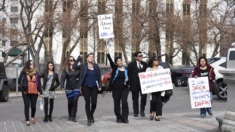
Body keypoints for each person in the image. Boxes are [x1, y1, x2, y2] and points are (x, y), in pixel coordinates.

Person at [74, 53, 102, 126]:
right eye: (89, 56)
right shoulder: (83, 65)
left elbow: (99, 77)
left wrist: (100, 86)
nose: (91, 58)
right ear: (87, 58)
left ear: (93, 59)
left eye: (92, 57)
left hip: (94, 87)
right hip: (85, 86)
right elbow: (74, 66)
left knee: (94, 103)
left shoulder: (96, 66)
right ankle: (88, 119)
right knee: (88, 102)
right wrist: (78, 59)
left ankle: (91, 114)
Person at [106, 49, 129, 123]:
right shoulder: (115, 68)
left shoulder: (126, 69)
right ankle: (118, 117)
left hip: (124, 88)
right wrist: (108, 53)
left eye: (120, 60)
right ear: (116, 62)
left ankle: (125, 118)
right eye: (118, 61)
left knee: (124, 102)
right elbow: (110, 61)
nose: (119, 62)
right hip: (116, 89)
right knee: (117, 103)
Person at [18, 60, 43, 126]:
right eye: (31, 64)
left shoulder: (36, 73)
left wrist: (41, 92)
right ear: (28, 65)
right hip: (26, 92)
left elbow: (39, 83)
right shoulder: (24, 73)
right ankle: (27, 120)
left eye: (33, 64)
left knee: (33, 106)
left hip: (34, 91)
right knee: (26, 105)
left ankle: (32, 117)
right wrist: (23, 88)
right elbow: (19, 81)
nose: (32, 65)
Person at [61, 56, 82, 122]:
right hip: (69, 87)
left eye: (73, 60)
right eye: (71, 60)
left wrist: (79, 79)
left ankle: (74, 116)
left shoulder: (78, 68)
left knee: (75, 101)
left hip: (76, 87)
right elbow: (63, 77)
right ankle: (70, 115)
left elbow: (82, 75)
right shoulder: (65, 69)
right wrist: (62, 85)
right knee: (70, 103)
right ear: (68, 61)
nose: (72, 61)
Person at [128, 51, 148, 117]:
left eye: (141, 55)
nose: (141, 57)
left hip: (143, 84)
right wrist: (129, 84)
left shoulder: (145, 64)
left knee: (144, 97)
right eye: (139, 56)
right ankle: (135, 112)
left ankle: (142, 110)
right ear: (135, 57)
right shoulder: (131, 65)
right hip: (135, 83)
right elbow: (128, 75)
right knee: (135, 98)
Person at [146, 57, 165, 121]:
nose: (157, 61)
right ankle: (152, 112)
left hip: (160, 88)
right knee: (153, 101)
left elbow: (164, 75)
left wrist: (168, 74)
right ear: (152, 62)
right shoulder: (149, 69)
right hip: (152, 88)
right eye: (155, 60)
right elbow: (146, 78)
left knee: (159, 101)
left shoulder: (161, 68)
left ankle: (157, 115)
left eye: (157, 60)